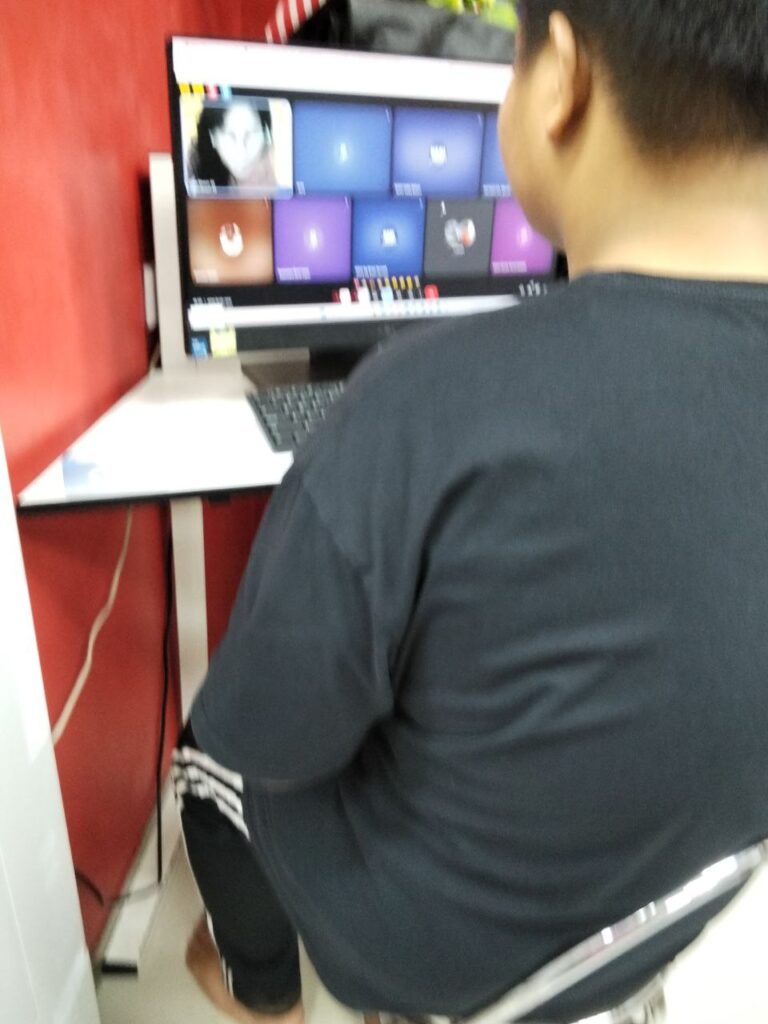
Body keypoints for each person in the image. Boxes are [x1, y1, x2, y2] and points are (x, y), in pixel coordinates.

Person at [172, 2, 768, 1022]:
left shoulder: (419, 403)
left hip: (445, 965)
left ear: (563, 77)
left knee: (210, 755)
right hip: (703, 912)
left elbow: (272, 734)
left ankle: (258, 989)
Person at [189, 99, 277, 190]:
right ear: (213, 137)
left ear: (266, 133)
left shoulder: (278, 167)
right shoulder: (191, 168)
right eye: (230, 136)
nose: (241, 152)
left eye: (250, 134)